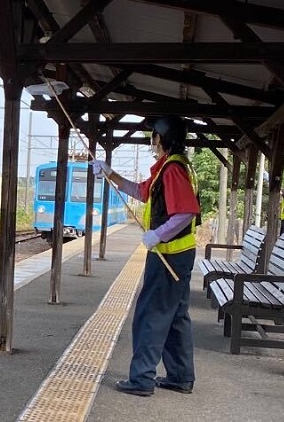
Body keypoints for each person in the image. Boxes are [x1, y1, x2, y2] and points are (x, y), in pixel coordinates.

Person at [91, 115, 200, 397]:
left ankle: (141, 379)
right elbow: (142, 192)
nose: (151, 140)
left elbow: (186, 211)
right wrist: (110, 174)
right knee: (175, 315)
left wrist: (158, 234)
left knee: (151, 314)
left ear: (161, 139)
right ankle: (180, 376)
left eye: (153, 135)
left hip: (169, 255)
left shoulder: (173, 170)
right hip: (178, 253)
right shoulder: (169, 166)